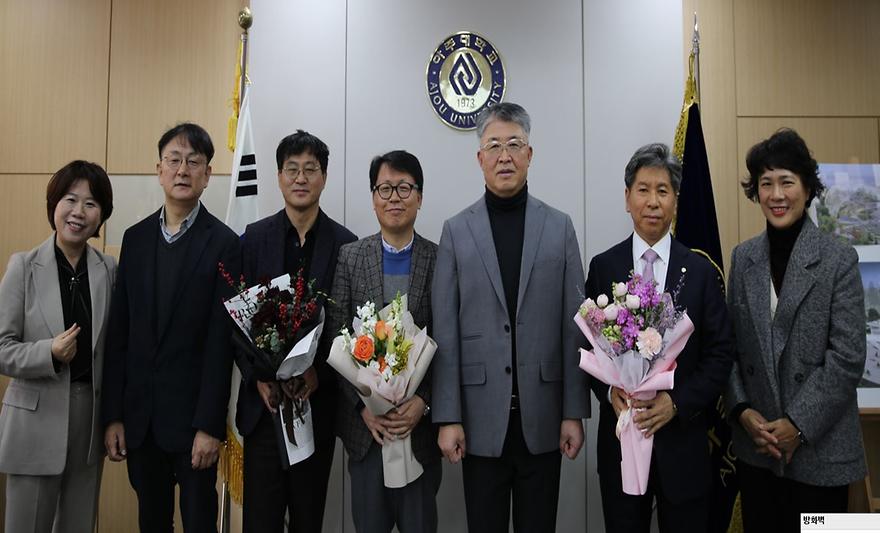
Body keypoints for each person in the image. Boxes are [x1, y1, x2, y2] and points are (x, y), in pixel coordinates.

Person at [431, 102, 589, 532]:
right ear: (479, 158)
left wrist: (573, 411)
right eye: (494, 146)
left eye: (514, 144)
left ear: (530, 154)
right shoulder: (456, 231)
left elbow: (575, 327)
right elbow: (444, 331)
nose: (505, 156)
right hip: (480, 422)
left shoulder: (559, 227)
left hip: (543, 416)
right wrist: (449, 416)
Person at [586, 143, 733, 533]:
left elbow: (720, 355)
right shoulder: (603, 267)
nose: (653, 201)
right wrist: (608, 392)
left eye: (663, 191)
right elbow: (584, 348)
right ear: (627, 198)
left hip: (681, 445)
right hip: (620, 441)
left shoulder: (700, 273)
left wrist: (677, 403)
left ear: (675, 200)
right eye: (643, 189)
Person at [102, 123, 241, 532]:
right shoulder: (136, 238)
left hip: (194, 425)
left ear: (207, 174)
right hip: (141, 422)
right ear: (159, 169)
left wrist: (210, 426)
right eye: (174, 160)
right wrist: (114, 416)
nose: (183, 170)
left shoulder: (225, 243)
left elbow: (222, 345)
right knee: (151, 522)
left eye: (193, 162)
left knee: (199, 523)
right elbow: (120, 335)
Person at [726, 128, 866, 532]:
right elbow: (729, 348)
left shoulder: (839, 259)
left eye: (787, 181)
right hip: (759, 451)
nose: (776, 194)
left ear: (807, 187)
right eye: (766, 183)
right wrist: (743, 411)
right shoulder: (744, 257)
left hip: (821, 454)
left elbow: (848, 357)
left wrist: (798, 425)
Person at [234, 130, 356, 533]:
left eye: (310, 169)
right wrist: (258, 379)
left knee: (308, 520)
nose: (301, 178)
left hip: (315, 407)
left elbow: (346, 326)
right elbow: (237, 321)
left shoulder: (346, 245)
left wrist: (316, 371)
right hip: (264, 408)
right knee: (260, 522)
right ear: (279, 176)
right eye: (292, 169)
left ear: (323, 176)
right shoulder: (254, 239)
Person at [0, 161, 115, 533]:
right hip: (35, 417)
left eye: (91, 204)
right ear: (54, 204)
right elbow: (2, 347)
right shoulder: (23, 266)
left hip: (88, 418)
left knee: (79, 525)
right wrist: (47, 352)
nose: (79, 212)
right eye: (71, 199)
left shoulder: (109, 270)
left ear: (101, 216)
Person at [330, 150, 440, 532]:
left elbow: (448, 342)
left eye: (404, 188)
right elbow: (337, 336)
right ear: (374, 196)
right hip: (366, 434)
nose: (394, 197)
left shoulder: (441, 260)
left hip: (419, 434)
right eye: (385, 188)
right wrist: (364, 407)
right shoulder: (350, 257)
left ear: (420, 197)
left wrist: (423, 402)